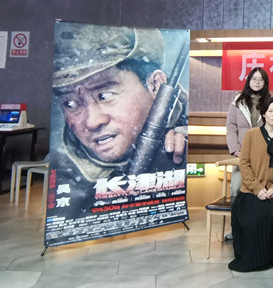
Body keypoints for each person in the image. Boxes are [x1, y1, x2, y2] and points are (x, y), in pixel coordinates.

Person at [49, 24, 188, 217]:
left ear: (156, 86)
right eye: (70, 103)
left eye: (104, 96)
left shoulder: (185, 137)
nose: (92, 122)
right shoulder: (64, 173)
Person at [228, 96, 273, 272]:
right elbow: (244, 163)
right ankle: (253, 259)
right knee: (252, 218)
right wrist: (257, 188)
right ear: (263, 113)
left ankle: (271, 258)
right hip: (251, 190)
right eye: (271, 111)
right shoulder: (251, 134)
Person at [226, 67, 269, 215]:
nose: (257, 82)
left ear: (265, 82)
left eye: (261, 79)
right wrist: (234, 148)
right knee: (236, 188)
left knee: (260, 189)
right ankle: (236, 223)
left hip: (263, 155)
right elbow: (231, 126)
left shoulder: (270, 102)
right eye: (254, 79)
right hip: (242, 154)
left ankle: (254, 225)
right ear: (248, 81)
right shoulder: (238, 101)